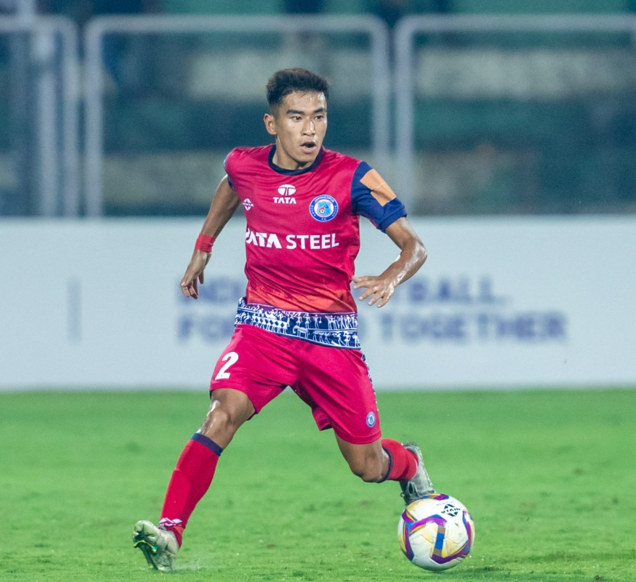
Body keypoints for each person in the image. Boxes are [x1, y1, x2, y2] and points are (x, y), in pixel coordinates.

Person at [132, 68, 433, 573]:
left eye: (319, 117)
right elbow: (231, 186)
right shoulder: (244, 165)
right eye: (297, 117)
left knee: (366, 464)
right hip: (263, 329)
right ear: (272, 124)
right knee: (222, 413)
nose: (310, 129)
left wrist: (390, 276)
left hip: (330, 340)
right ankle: (169, 534)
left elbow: (414, 245)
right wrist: (203, 247)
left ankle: (410, 464)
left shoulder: (353, 176)